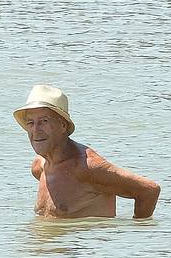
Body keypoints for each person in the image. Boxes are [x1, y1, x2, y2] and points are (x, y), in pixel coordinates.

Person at [14, 85, 161, 219]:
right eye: (30, 123)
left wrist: (138, 234)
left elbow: (149, 190)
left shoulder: (87, 167)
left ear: (63, 125)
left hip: (81, 248)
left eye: (44, 121)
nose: (36, 130)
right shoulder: (39, 167)